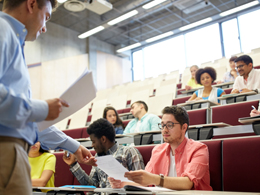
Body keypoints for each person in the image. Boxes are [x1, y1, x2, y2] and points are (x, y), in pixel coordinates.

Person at [0, 1, 96, 194]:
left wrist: (75, 147)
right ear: (32, 4)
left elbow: (21, 117)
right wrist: (42, 109)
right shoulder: (3, 31)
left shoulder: (11, 37)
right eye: (47, 16)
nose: (44, 28)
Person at [108, 106, 212, 191]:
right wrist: (121, 183)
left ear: (184, 127)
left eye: (170, 125)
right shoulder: (157, 150)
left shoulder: (199, 149)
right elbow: (146, 182)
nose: (164, 130)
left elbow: (188, 183)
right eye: (162, 125)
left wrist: (155, 179)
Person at [63, 118, 145, 188]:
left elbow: (142, 183)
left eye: (93, 141)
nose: (92, 145)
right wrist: (73, 165)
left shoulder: (129, 152)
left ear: (103, 139)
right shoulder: (97, 157)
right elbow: (92, 185)